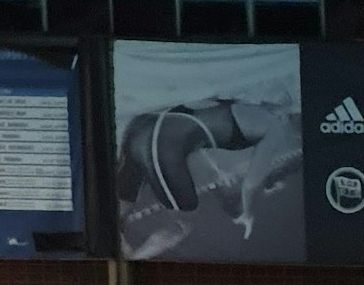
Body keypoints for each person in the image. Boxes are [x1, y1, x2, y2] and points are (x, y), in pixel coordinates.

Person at [116, 93, 301, 256]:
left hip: (142, 124)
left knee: (125, 197)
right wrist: (248, 213)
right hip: (162, 143)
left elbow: (199, 111)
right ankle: (135, 259)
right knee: (183, 223)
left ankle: (115, 234)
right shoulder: (273, 129)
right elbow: (251, 183)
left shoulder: (238, 103)